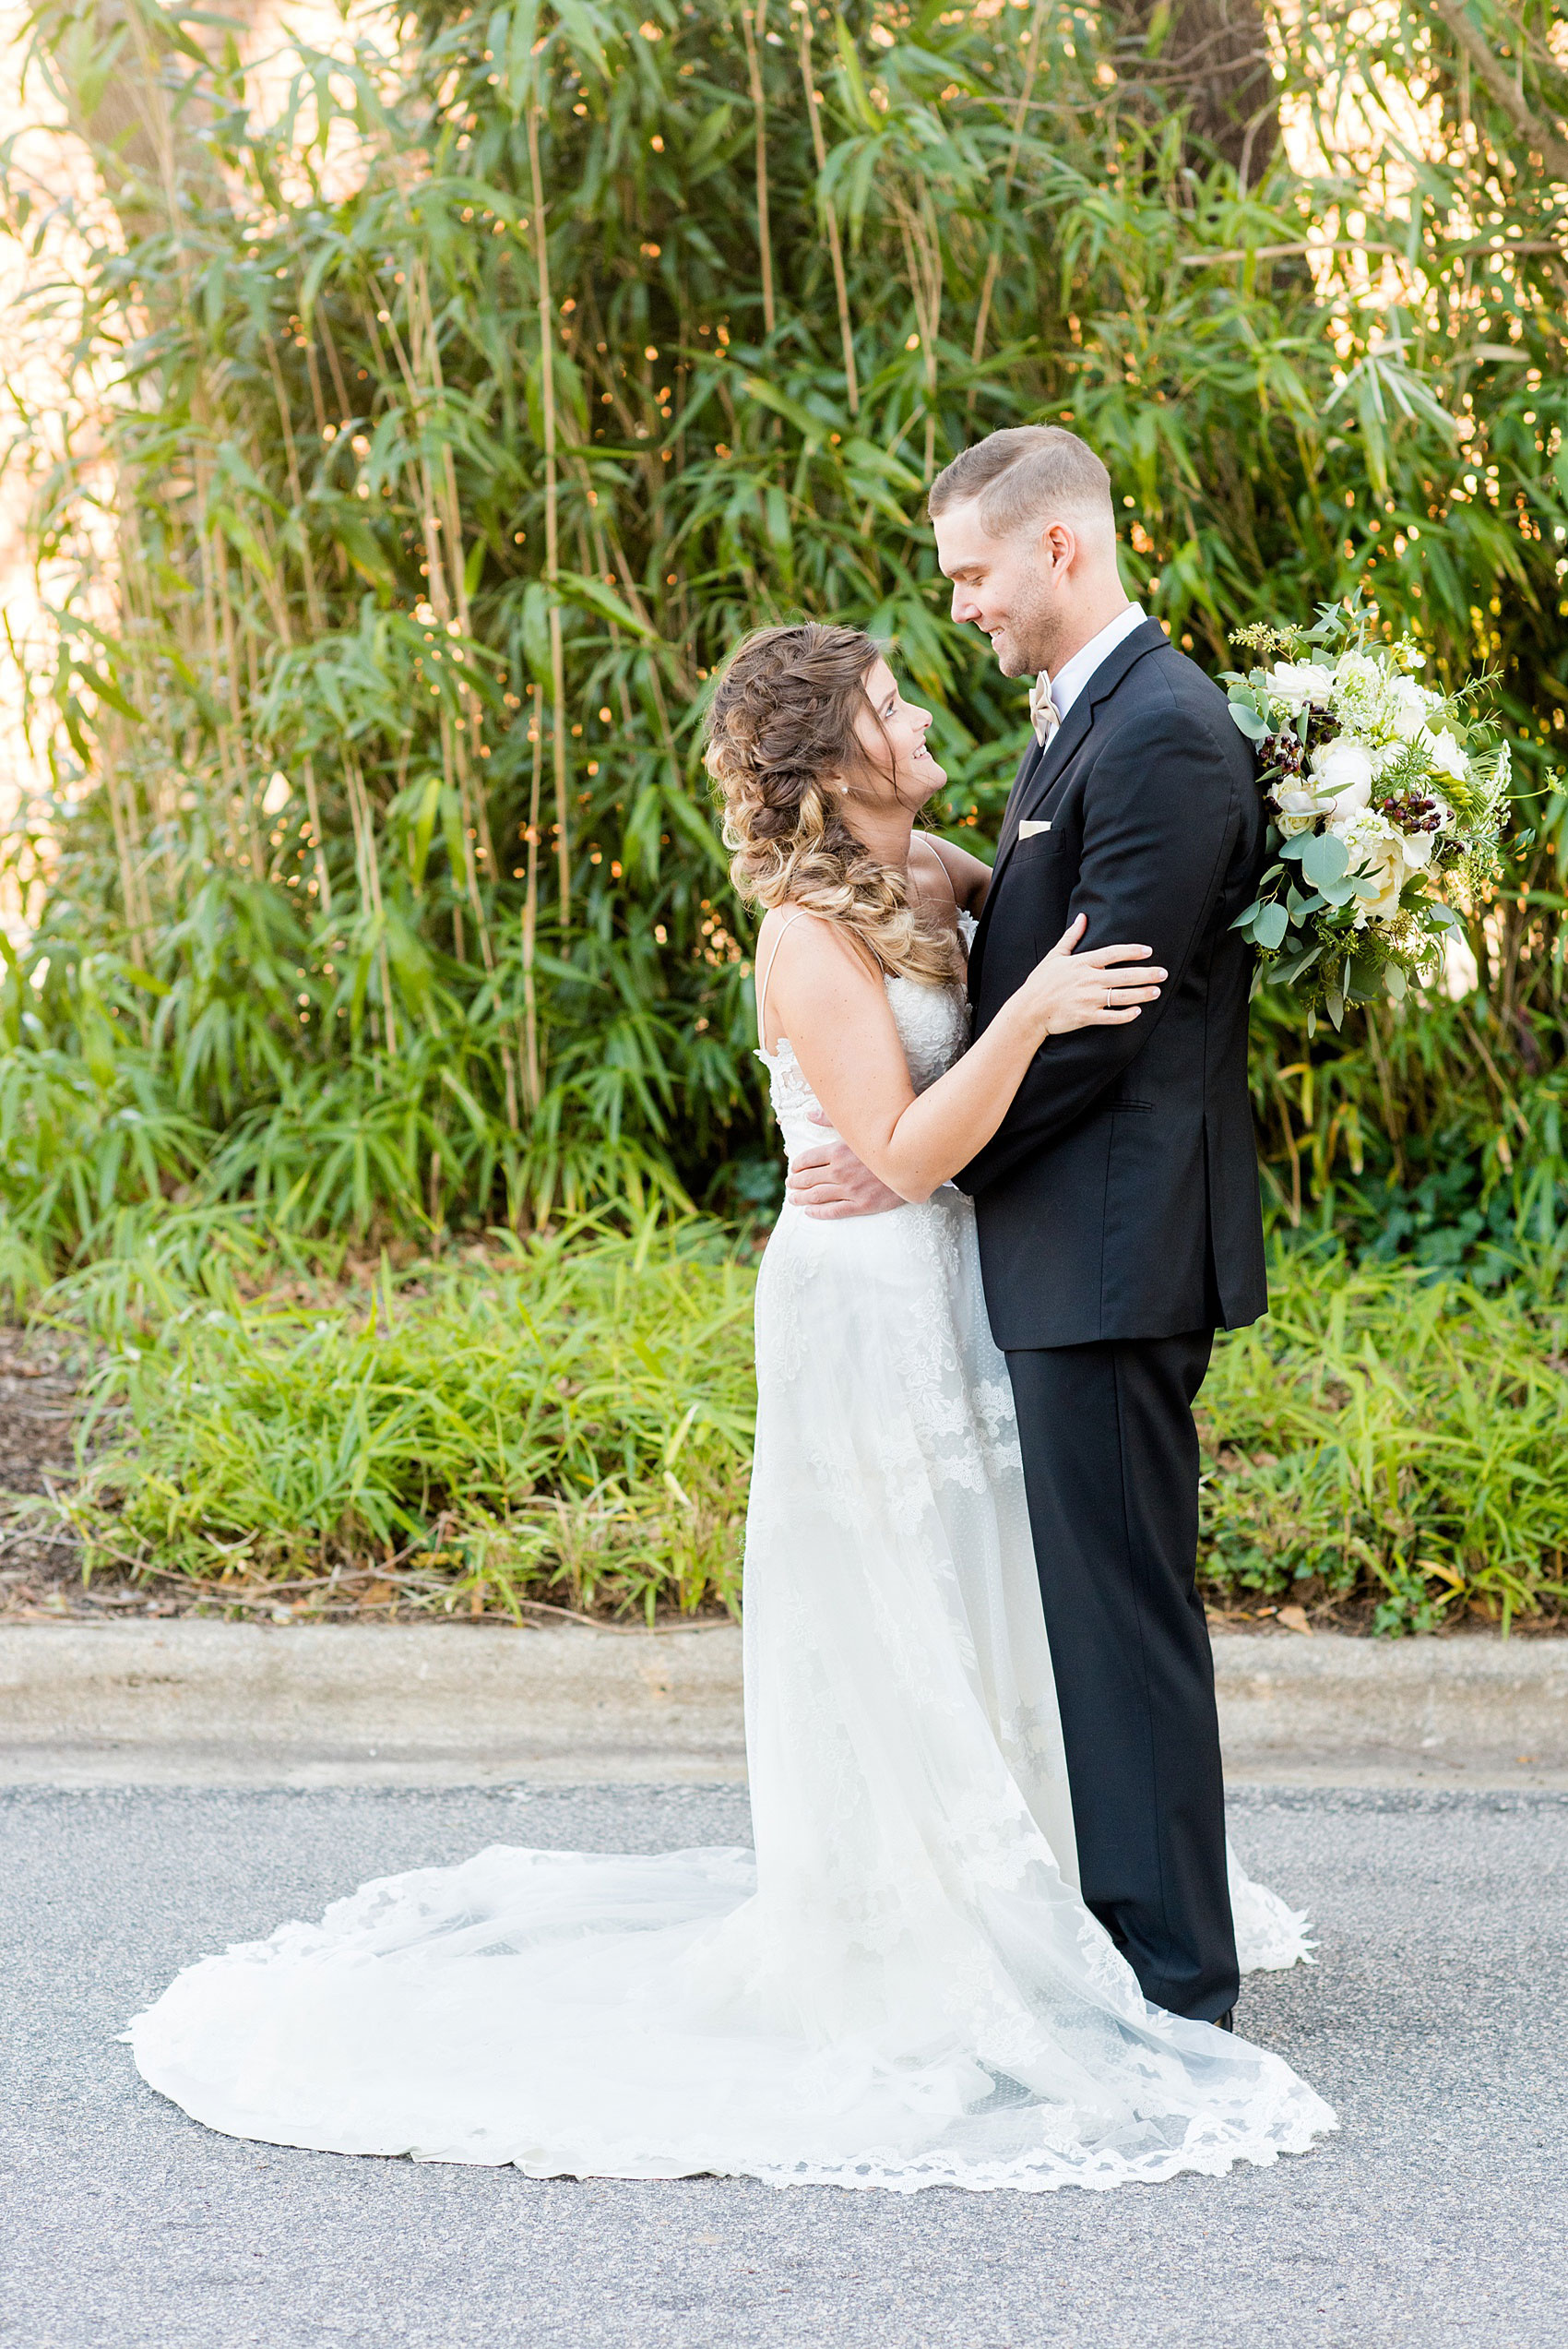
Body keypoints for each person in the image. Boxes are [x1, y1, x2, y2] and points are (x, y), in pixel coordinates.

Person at [127, 614, 1333, 2192]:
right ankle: (916, 1914)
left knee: (988, 1588)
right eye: (889, 708)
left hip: (956, 1280)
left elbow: (1073, 908)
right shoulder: (796, 935)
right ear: (831, 766)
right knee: (894, 1594)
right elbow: (900, 1152)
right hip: (864, 1295)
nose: (917, 719)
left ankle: (1045, 1876)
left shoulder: (937, 876)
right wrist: (1030, 1013)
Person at [787, 426, 1269, 2030]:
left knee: (1123, 1614)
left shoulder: (1163, 737)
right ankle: (1140, 1930)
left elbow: (1100, 1027)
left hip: (1116, 1248)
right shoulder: (1085, 724)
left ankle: (1177, 1978)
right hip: (1069, 1250)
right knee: (1091, 1604)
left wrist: (929, 1163)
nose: (964, 610)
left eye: (975, 573)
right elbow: (1015, 957)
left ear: (1059, 549)